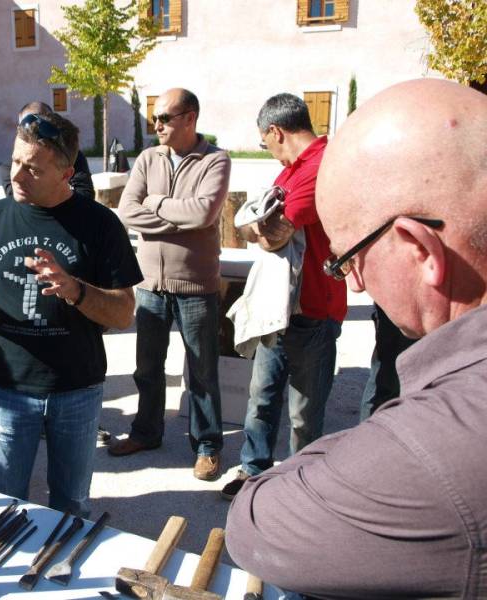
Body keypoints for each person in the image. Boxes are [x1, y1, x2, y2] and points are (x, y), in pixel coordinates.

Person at [226, 78, 487, 598]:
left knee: (306, 411)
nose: (356, 281)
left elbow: (257, 527)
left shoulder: (450, 434)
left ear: (420, 249)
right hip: (289, 314)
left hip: (311, 319)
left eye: (347, 259)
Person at [0, 112, 140, 516]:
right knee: (1, 504)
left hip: (77, 389)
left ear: (66, 173)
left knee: (71, 505)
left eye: (32, 169)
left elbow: (123, 313)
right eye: (14, 162)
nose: (18, 177)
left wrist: (76, 289)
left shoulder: (99, 224)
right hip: (9, 387)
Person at [220, 93, 347, 500]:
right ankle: (254, 471)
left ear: (275, 131)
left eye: (265, 143)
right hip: (279, 311)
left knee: (304, 412)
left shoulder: (320, 166)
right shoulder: (291, 171)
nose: (269, 152)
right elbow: (264, 228)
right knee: (262, 397)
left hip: (314, 309)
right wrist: (261, 229)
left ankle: (301, 485)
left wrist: (257, 230)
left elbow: (274, 231)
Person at [112, 88, 229, 481]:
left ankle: (208, 444)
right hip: (149, 285)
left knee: (202, 370)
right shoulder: (148, 158)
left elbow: (204, 213)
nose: (156, 125)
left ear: (190, 118)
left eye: (164, 117)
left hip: (196, 285)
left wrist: (156, 203)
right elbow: (127, 211)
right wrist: (175, 214)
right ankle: (146, 433)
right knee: (147, 367)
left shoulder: (216, 160)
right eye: (155, 118)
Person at [0, 101, 94, 201]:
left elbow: (85, 193)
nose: (16, 177)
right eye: (27, 127)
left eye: (42, 125)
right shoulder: (9, 166)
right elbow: (17, 201)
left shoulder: (71, 156)